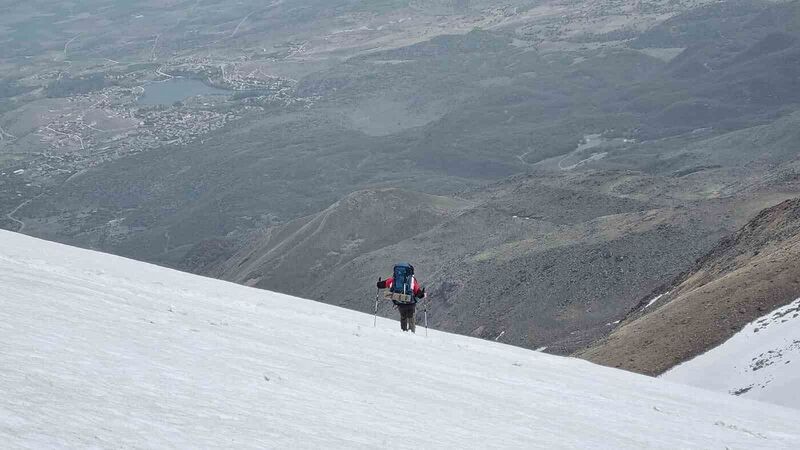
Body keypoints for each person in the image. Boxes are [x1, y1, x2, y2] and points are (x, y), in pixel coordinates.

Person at [377, 263, 425, 332]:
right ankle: (412, 333)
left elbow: (384, 283)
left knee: (403, 317)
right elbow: (417, 291)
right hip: (411, 303)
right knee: (411, 318)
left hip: (400, 302)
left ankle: (404, 332)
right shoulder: (412, 280)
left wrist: (379, 284)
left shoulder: (395, 279)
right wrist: (421, 294)